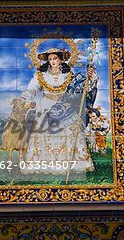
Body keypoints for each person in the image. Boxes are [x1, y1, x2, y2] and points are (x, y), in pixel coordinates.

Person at [15, 48, 98, 176]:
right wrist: (22, 99)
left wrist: (91, 78)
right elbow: (31, 90)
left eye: (55, 59)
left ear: (60, 60)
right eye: (50, 59)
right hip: (46, 108)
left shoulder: (69, 75)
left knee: (71, 132)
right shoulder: (41, 76)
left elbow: (80, 88)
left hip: (65, 109)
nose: (53, 62)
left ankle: (75, 164)